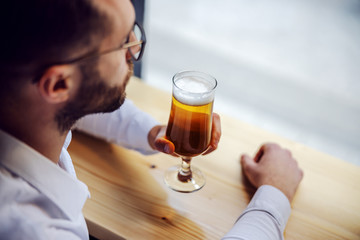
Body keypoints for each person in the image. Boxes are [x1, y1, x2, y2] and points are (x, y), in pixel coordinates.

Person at [0, 0, 303, 239]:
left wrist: (155, 132)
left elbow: (77, 103)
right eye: (122, 42)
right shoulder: (33, 228)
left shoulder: (23, 101)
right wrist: (275, 194)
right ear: (58, 85)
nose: (134, 49)